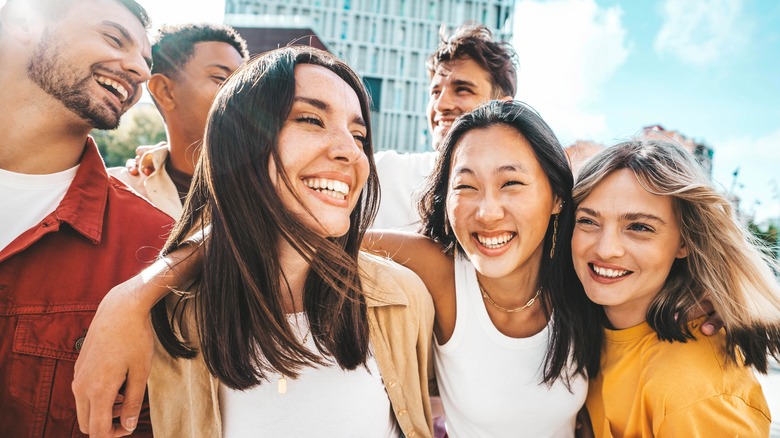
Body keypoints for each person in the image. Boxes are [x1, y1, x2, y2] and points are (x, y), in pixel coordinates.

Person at [77, 45, 435, 437]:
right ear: (243, 142)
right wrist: (132, 300)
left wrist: (134, 295)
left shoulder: (403, 300)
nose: (351, 151)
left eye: (359, 134)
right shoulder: (171, 322)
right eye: (312, 119)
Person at [365, 100, 602, 436]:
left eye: (511, 184)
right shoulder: (442, 271)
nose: (488, 213)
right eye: (465, 186)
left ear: (557, 197)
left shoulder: (584, 279)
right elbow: (317, 245)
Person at [0, 0, 172, 435]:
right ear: (23, 22)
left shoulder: (153, 249)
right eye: (115, 38)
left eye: (145, 62)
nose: (138, 70)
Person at [572, 140, 779, 436]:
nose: (606, 249)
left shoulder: (692, 392)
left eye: (639, 227)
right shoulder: (588, 327)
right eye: (588, 221)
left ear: (685, 242)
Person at [372, 21, 516, 230]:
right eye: (435, 92)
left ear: (504, 109)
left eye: (462, 89)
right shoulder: (383, 172)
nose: (440, 105)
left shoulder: (518, 197)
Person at [109, 23, 248, 217]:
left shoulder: (274, 195)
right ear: (165, 92)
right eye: (221, 79)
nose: (242, 94)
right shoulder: (113, 195)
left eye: (246, 84)